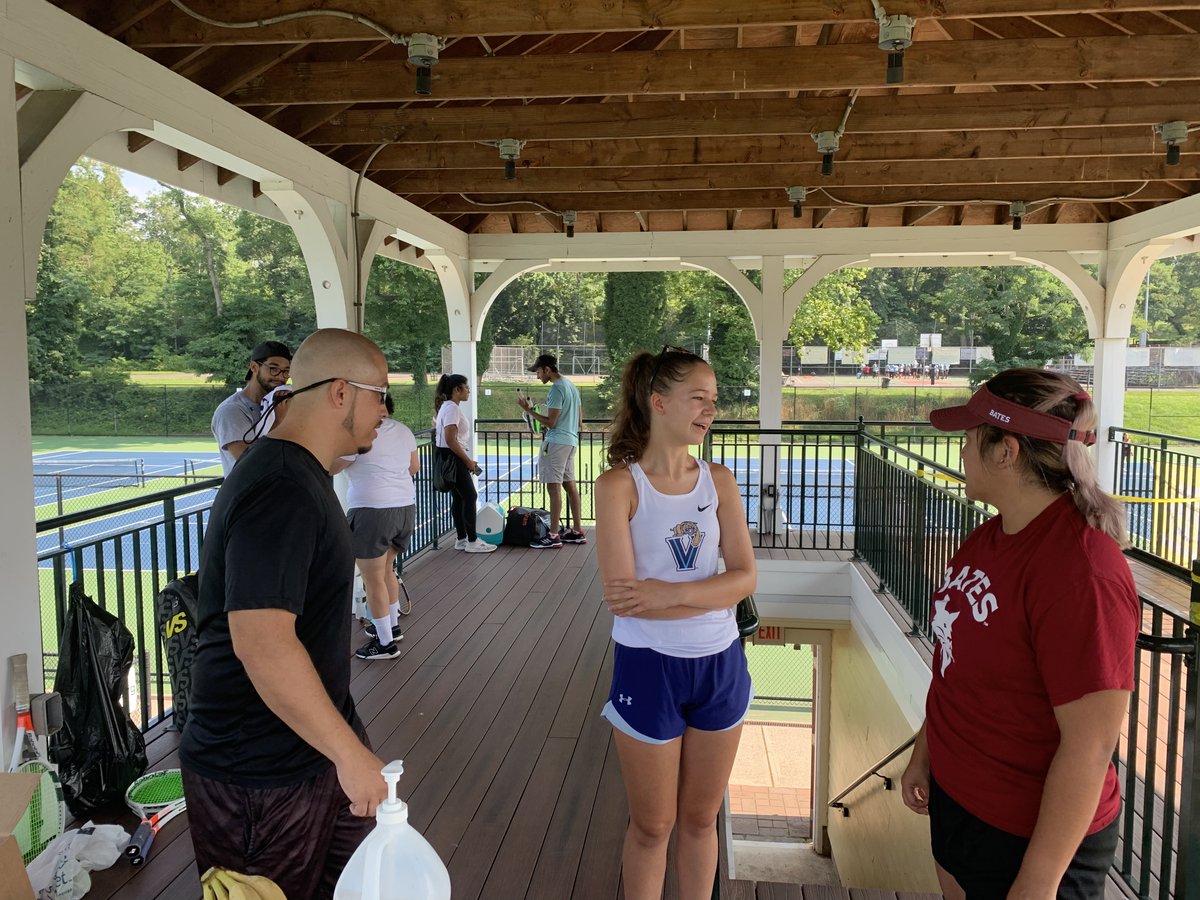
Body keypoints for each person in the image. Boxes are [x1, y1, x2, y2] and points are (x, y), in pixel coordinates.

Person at [900, 368, 1139, 900]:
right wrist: (926, 751)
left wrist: (1037, 881)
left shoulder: (1082, 573)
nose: (961, 451)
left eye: (968, 438)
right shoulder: (990, 535)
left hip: (1028, 836)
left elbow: (1090, 746)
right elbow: (953, 665)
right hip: (960, 801)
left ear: (1005, 451)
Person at [180, 329, 392, 900]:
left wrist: (345, 744)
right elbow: (262, 642)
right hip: (255, 774)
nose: (387, 414)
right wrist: (350, 754)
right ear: (341, 394)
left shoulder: (304, 474)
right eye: (382, 396)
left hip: (312, 747)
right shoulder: (279, 486)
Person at [594, 347, 757, 900]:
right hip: (648, 667)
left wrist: (667, 593)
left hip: (720, 665)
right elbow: (623, 600)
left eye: (714, 400)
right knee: (652, 826)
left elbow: (745, 579)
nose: (711, 409)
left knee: (699, 820)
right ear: (659, 402)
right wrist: (708, 596)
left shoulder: (719, 482)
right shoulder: (619, 486)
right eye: (699, 398)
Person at [334, 394, 419, 661]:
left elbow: (332, 467)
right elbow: (413, 467)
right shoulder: (403, 430)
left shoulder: (358, 433)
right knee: (386, 571)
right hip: (404, 508)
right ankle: (391, 627)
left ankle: (385, 644)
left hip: (371, 511)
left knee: (372, 580)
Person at [517, 352, 586, 548]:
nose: (537, 376)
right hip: (571, 441)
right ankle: (577, 531)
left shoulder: (556, 389)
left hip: (556, 443)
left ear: (547, 369)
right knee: (570, 486)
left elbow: (552, 422)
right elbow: (579, 420)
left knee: (553, 487)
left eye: (538, 372)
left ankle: (554, 535)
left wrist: (528, 410)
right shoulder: (571, 386)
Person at [211, 340, 292, 475]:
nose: (280, 376)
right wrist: (278, 422)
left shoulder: (282, 404)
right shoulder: (232, 411)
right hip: (251, 494)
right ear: (254, 367)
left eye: (286, 371)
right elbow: (252, 463)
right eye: (274, 369)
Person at [434, 373, 495, 554]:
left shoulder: (447, 406)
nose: (468, 390)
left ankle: (461, 539)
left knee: (459, 498)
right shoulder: (452, 408)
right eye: (466, 387)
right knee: (470, 496)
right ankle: (472, 541)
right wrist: (467, 460)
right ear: (457, 390)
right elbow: (450, 439)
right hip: (453, 458)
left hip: (447, 456)